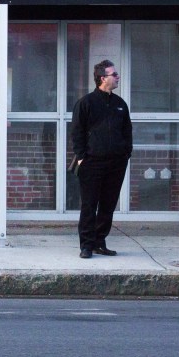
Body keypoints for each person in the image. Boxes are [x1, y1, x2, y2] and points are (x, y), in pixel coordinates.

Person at [71, 60, 133, 259]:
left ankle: (100, 242)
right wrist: (82, 158)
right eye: (114, 74)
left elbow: (127, 131)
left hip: (116, 163)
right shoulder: (86, 103)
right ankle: (86, 245)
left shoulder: (120, 104)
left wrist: (126, 153)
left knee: (108, 204)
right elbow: (77, 132)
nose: (117, 77)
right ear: (102, 78)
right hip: (92, 162)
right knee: (89, 204)